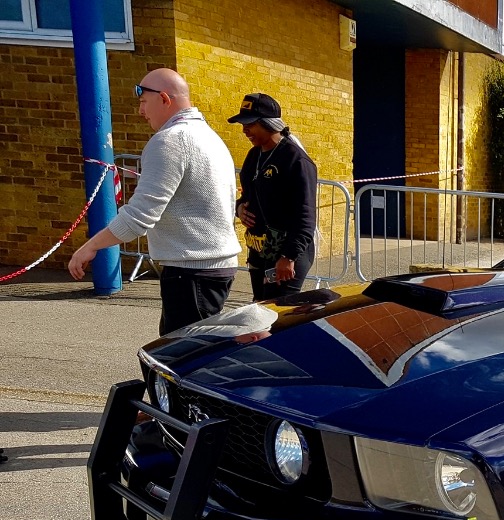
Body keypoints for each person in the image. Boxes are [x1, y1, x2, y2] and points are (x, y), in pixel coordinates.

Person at [68, 68, 241, 335]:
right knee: (189, 354)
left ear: (164, 98)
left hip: (191, 270)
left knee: (178, 361)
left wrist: (90, 247)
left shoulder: (170, 141)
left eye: (142, 102)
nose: (140, 111)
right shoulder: (209, 137)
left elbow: (139, 217)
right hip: (211, 266)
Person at [228, 93, 318, 300]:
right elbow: (249, 196)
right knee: (260, 309)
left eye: (250, 124)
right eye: (242, 124)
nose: (244, 130)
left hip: (287, 252)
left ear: (269, 123)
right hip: (260, 249)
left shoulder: (296, 160)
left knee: (278, 313)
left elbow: (305, 215)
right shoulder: (254, 155)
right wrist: (239, 208)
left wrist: (289, 256)